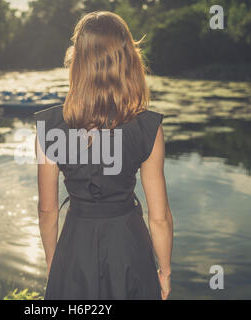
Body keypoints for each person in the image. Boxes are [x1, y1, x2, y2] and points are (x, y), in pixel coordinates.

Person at [34, 11, 173, 300]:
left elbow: (47, 211)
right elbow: (159, 218)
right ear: (127, 61)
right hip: (129, 250)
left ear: (78, 61)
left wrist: (54, 265)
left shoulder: (49, 129)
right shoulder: (148, 128)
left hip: (75, 251)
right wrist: (165, 271)